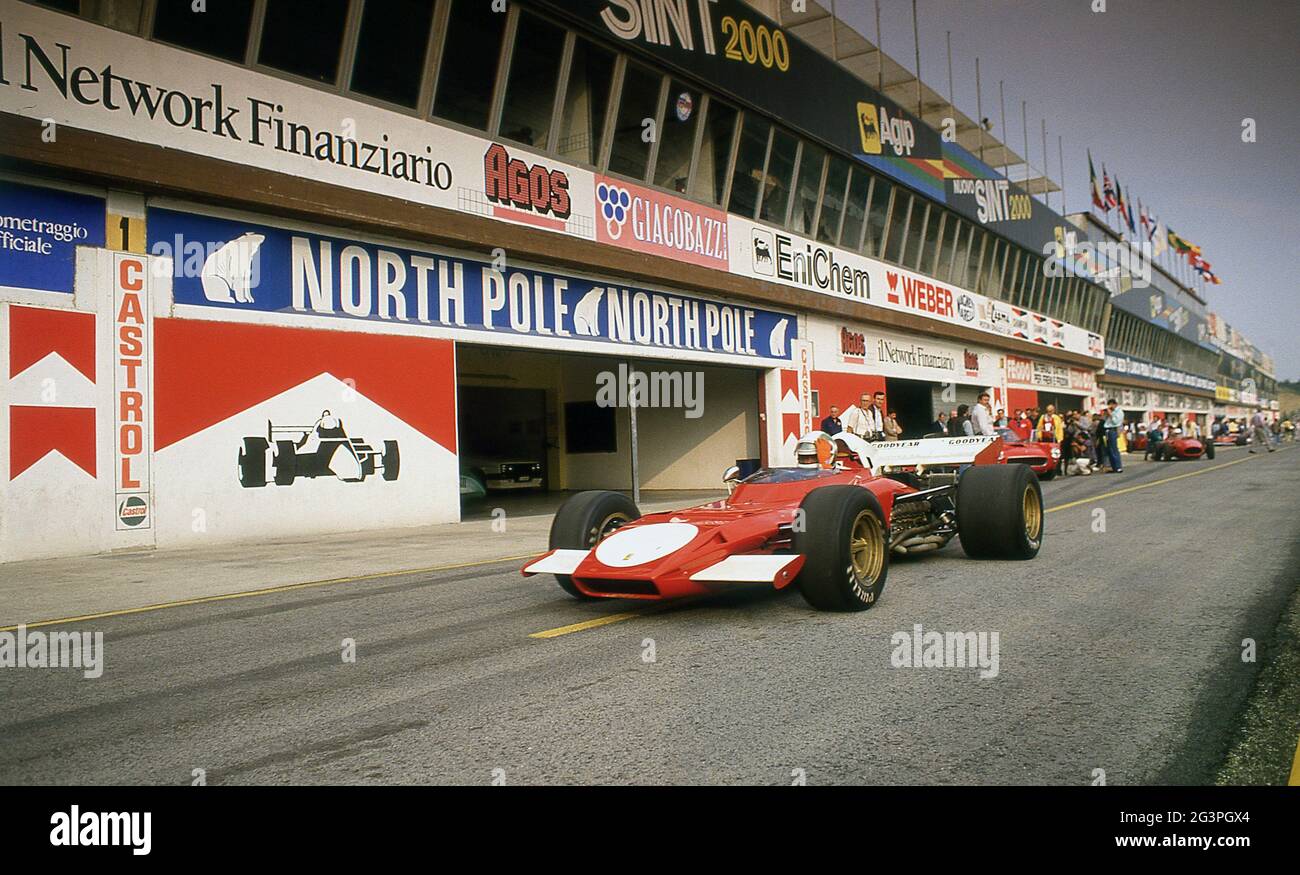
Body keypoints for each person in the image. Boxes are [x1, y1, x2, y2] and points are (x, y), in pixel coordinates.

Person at [1102, 399, 1125, 473]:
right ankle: (1113, 467)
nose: (1110, 407)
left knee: (1113, 449)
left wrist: (1111, 414)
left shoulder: (1119, 412)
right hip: (1107, 430)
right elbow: (1105, 421)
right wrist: (1106, 414)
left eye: (1111, 405)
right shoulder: (1110, 412)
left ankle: (1118, 467)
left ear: (1115, 404)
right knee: (1109, 449)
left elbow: (1116, 422)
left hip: (1113, 430)